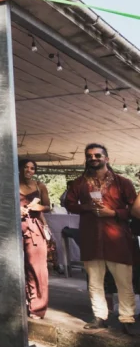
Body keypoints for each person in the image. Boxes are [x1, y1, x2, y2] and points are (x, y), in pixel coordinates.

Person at [63, 143, 138, 336]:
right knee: (95, 282)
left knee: (124, 281)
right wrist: (87, 207)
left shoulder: (122, 182)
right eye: (89, 156)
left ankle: (127, 319)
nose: (93, 158)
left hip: (117, 239)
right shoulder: (79, 183)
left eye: (97, 155)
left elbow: (134, 210)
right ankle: (99, 317)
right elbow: (69, 204)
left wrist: (112, 213)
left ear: (107, 158)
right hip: (91, 238)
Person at [19, 159, 53, 319]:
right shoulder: (11, 184)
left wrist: (39, 207)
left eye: (32, 168)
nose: (29, 170)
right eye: (26, 167)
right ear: (19, 168)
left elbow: (48, 207)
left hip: (34, 228)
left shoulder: (40, 186)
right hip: (14, 227)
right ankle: (21, 301)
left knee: (37, 268)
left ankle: (37, 308)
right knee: (16, 267)